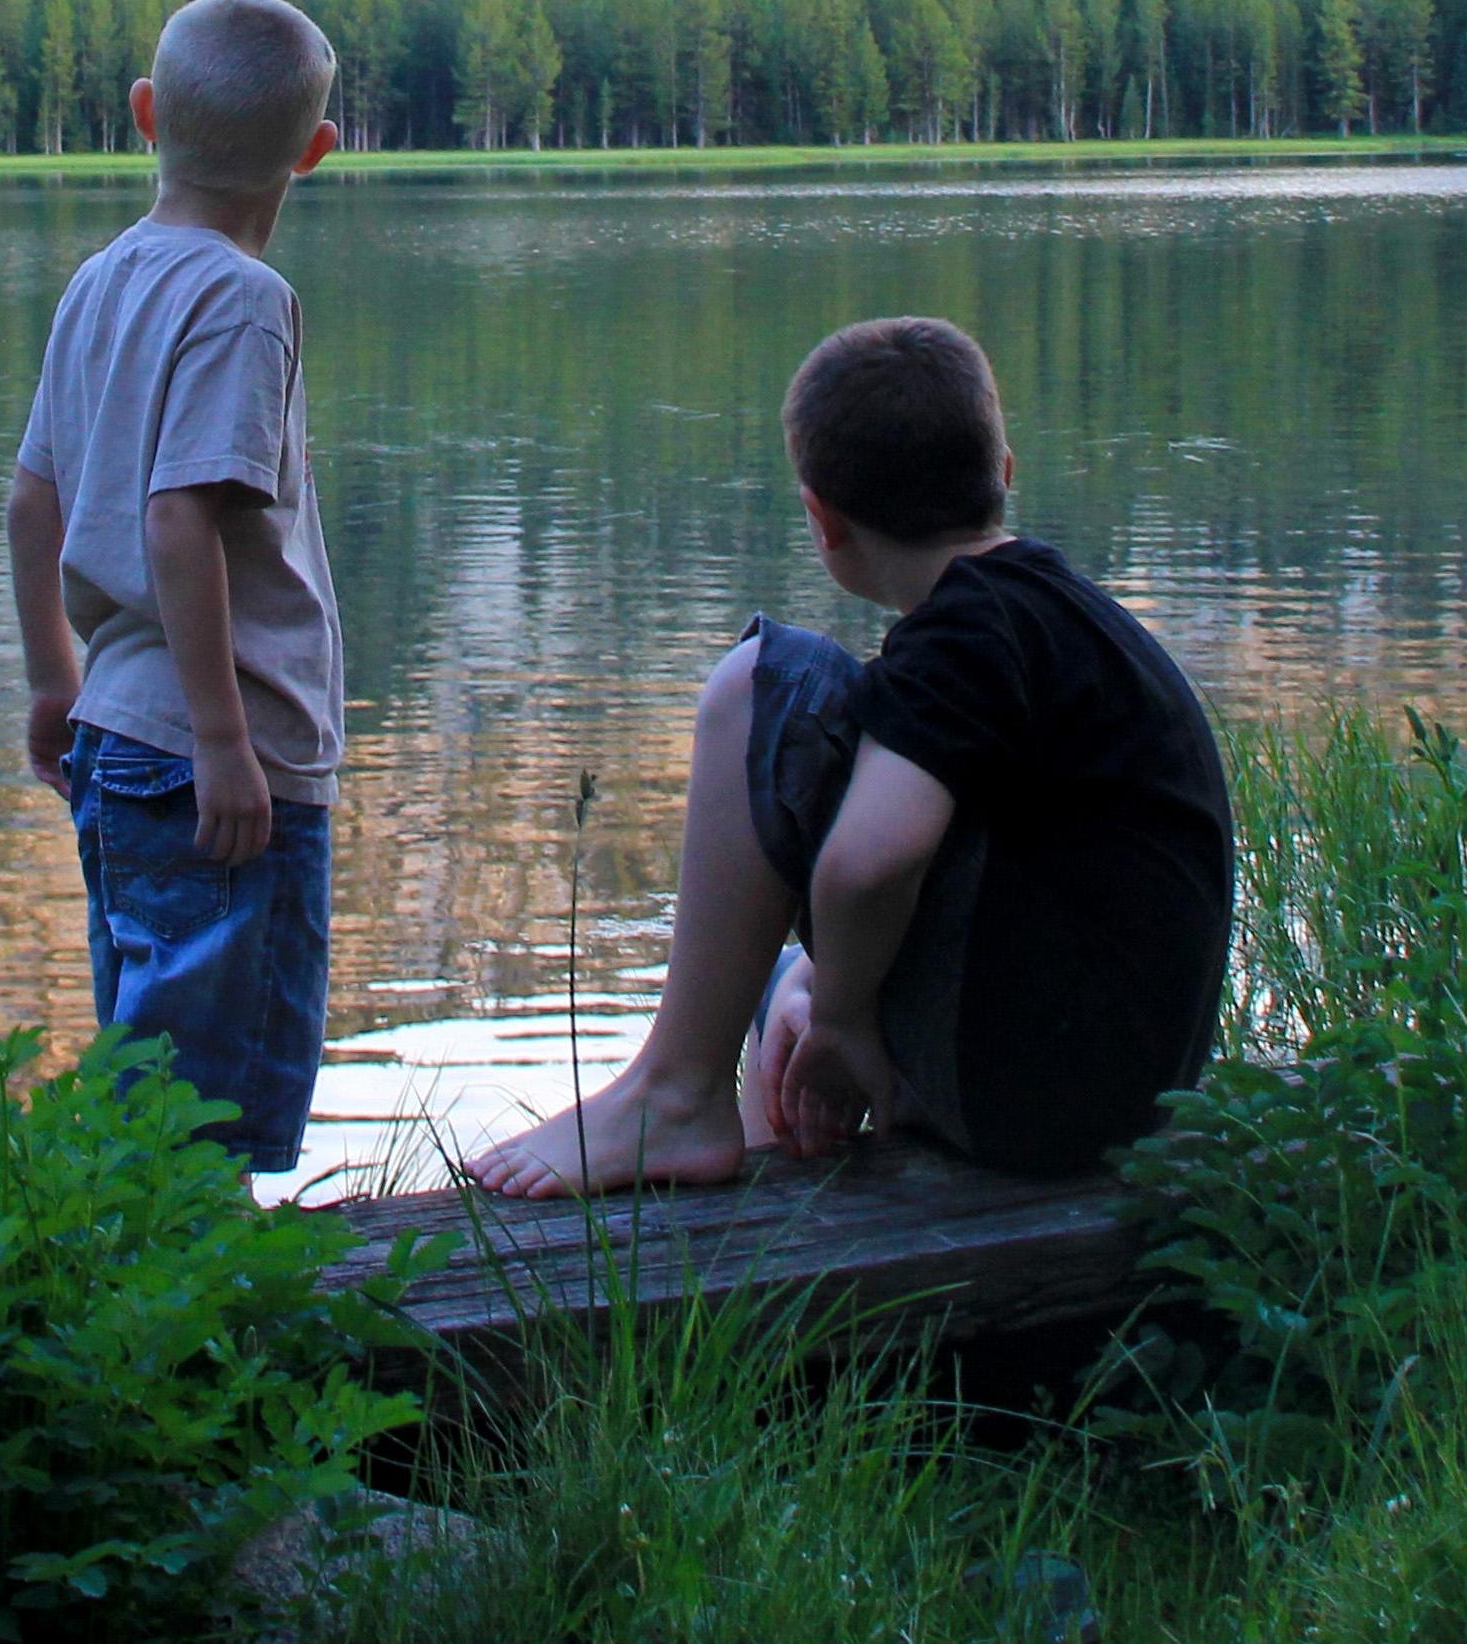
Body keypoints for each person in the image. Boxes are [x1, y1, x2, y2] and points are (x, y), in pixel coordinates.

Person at [468, 315, 1230, 1192]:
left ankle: (675, 1096)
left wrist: (844, 1021)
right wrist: (828, 990)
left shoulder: (961, 638)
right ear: (1004, 473)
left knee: (770, 682)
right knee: (789, 977)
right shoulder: (1053, 617)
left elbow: (872, 864)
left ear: (821, 521)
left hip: (1030, 1100)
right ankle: (758, 1178)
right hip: (1126, 1091)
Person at [6, 0, 348, 1171]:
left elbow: (31, 500)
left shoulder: (99, 280)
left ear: (147, 115)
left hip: (112, 732)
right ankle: (199, 1328)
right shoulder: (246, 301)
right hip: (227, 757)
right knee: (212, 1107)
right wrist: (222, 739)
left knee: (145, 1053)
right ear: (316, 152)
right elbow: (177, 519)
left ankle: (124, 1295)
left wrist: (56, 680)